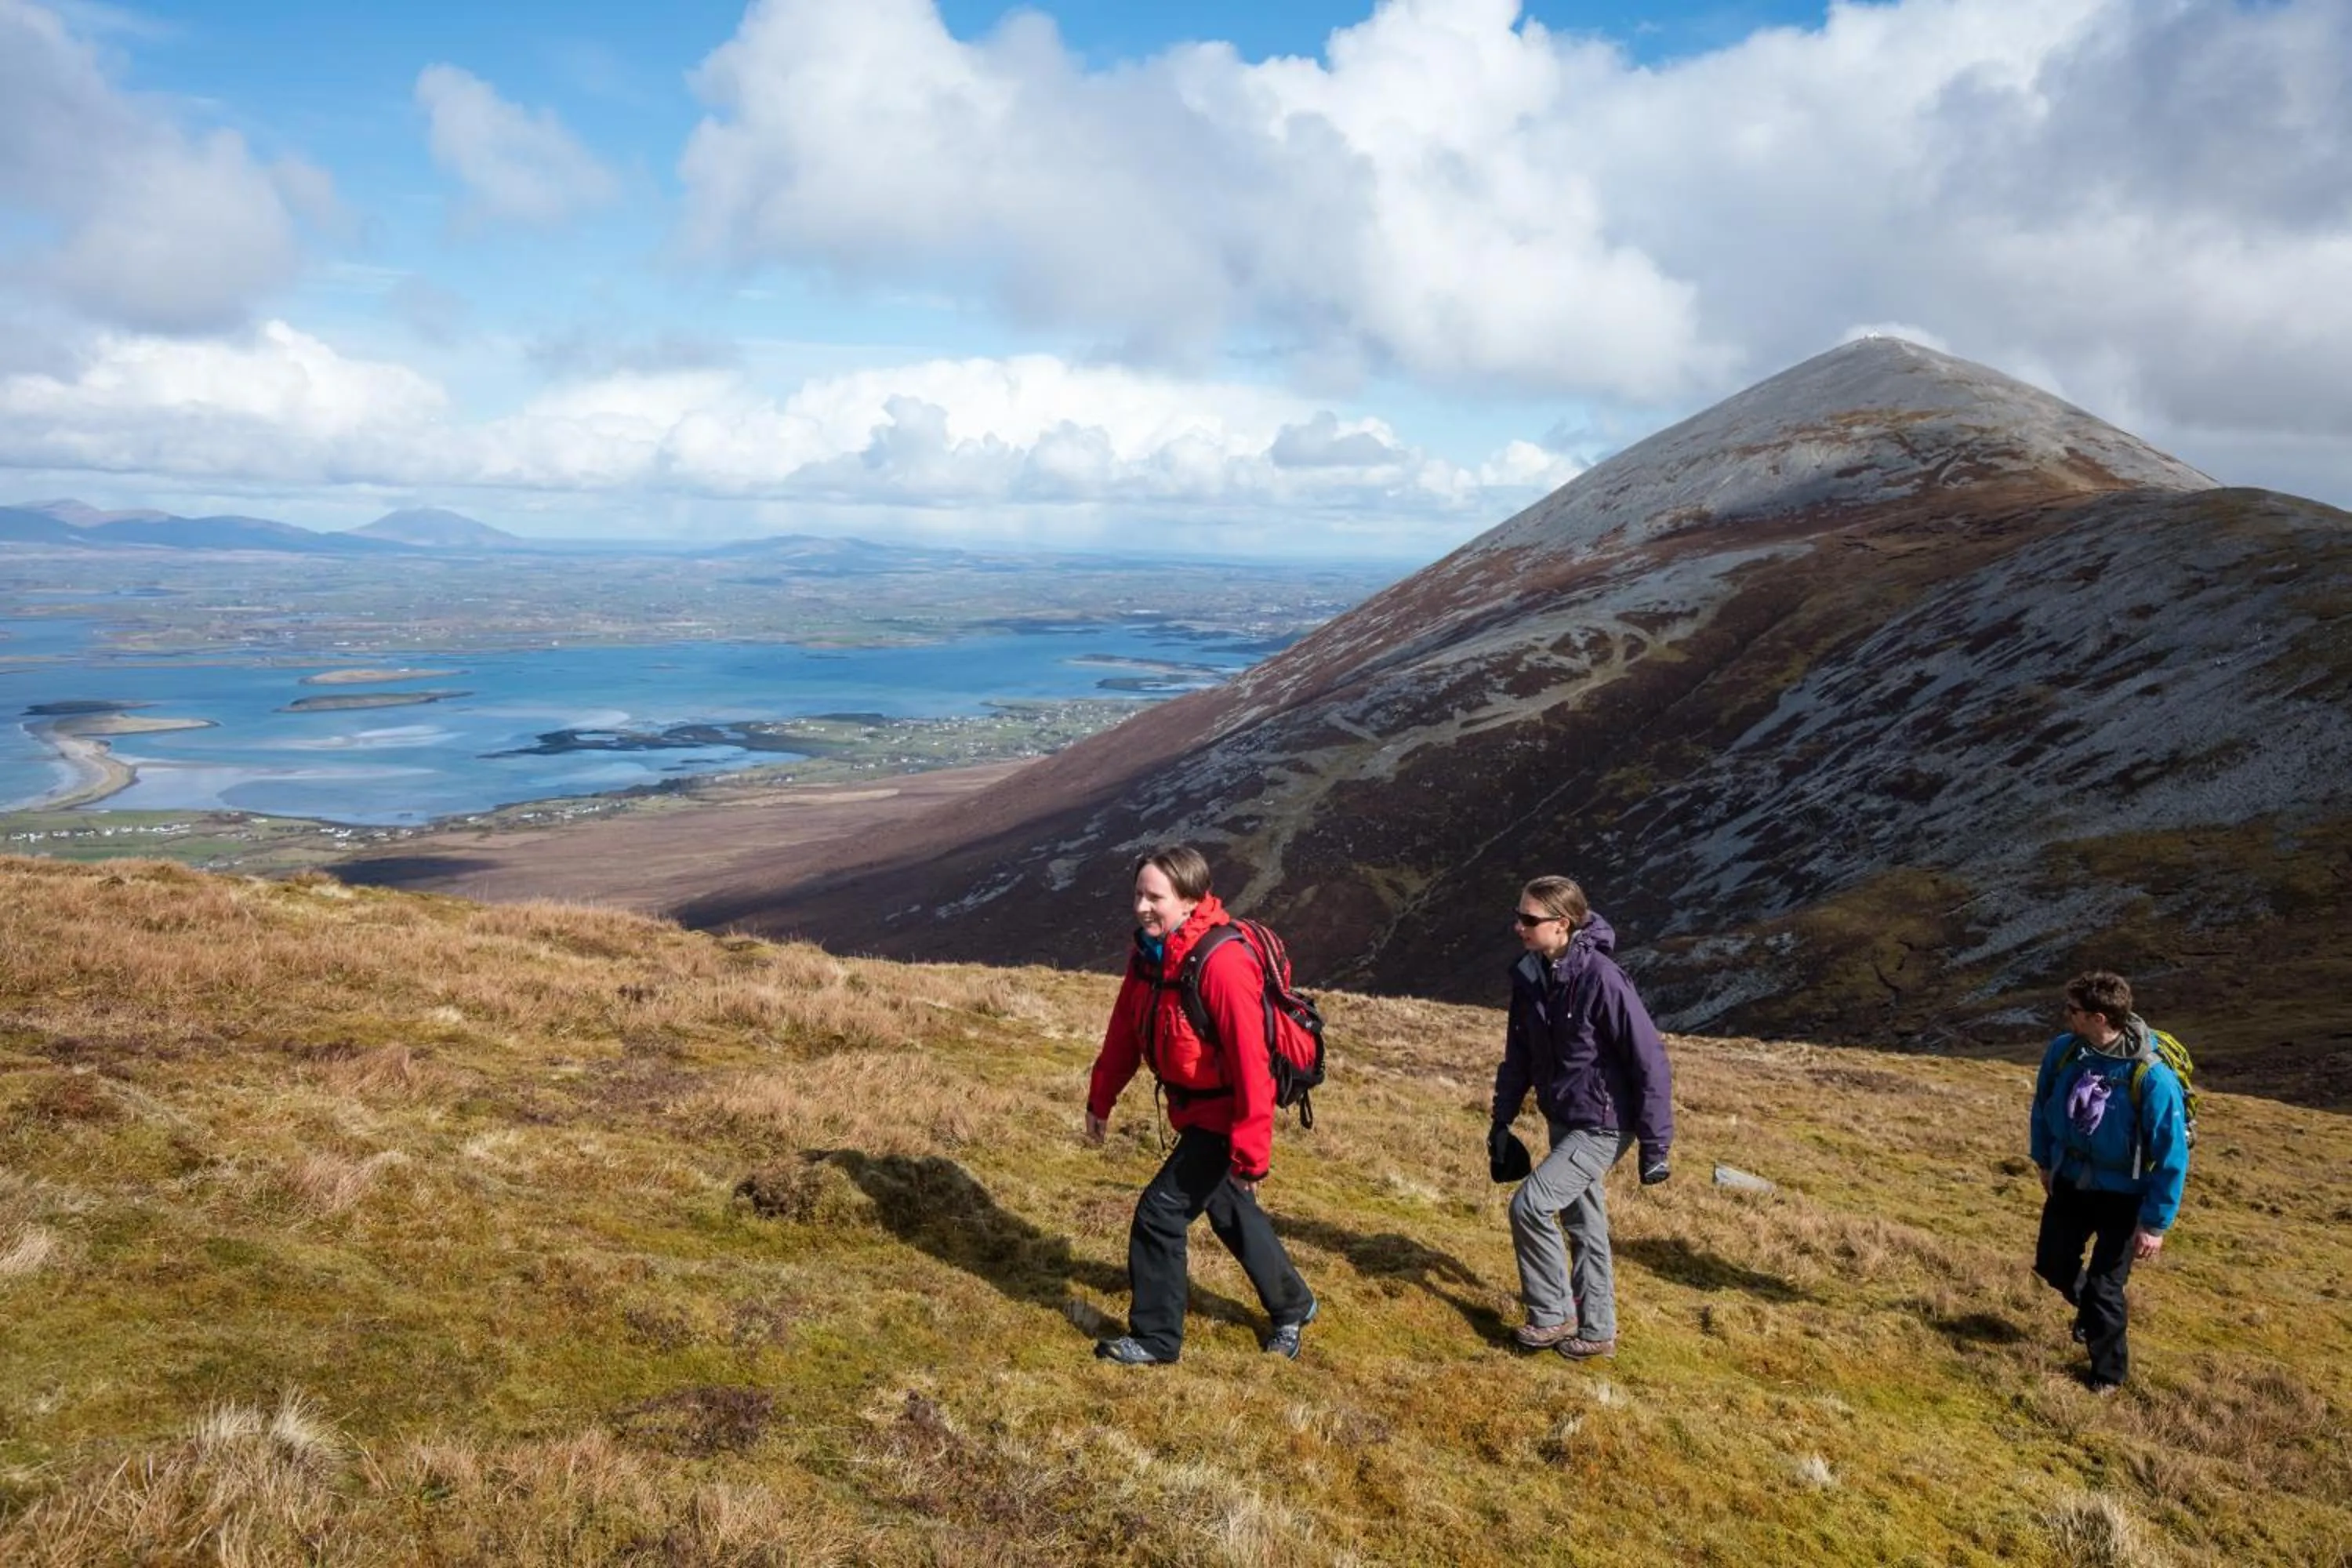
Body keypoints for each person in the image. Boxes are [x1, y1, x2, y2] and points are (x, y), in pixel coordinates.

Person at [1083, 845, 1317, 1365]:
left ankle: (1155, 1339)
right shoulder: (1150, 953)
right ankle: (1294, 1305)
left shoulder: (1222, 963)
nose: (1142, 907)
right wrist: (1101, 1099)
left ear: (1189, 900)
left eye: (1155, 897)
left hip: (1224, 1113)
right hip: (1193, 1109)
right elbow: (1125, 1029)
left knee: (1159, 1215)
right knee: (1230, 1210)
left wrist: (1252, 1154)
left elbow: (1252, 1066)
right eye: (1138, 894)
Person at [1491, 876, 1674, 1361]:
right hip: (1564, 1118)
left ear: (1562, 924)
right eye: (1519, 916)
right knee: (1585, 1223)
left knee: (1530, 1205)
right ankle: (1598, 1332)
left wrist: (1656, 1148)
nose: (1519, 927)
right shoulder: (1531, 977)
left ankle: (1552, 1314)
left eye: (1529, 920)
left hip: (1605, 1123)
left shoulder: (1602, 978)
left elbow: (1649, 1059)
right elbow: (1519, 1059)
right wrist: (1501, 1121)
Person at [2029, 970, 2190, 1393]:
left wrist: (2155, 1225)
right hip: (2070, 1181)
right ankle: (2090, 1314)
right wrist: (2044, 1161)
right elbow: (2043, 1103)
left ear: (2100, 1019)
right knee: (2052, 1263)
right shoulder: (2064, 1051)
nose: (2067, 1016)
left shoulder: (2153, 1079)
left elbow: (2172, 1154)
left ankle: (2108, 1375)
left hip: (2125, 1195)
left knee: (2105, 1288)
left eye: (2075, 1011)